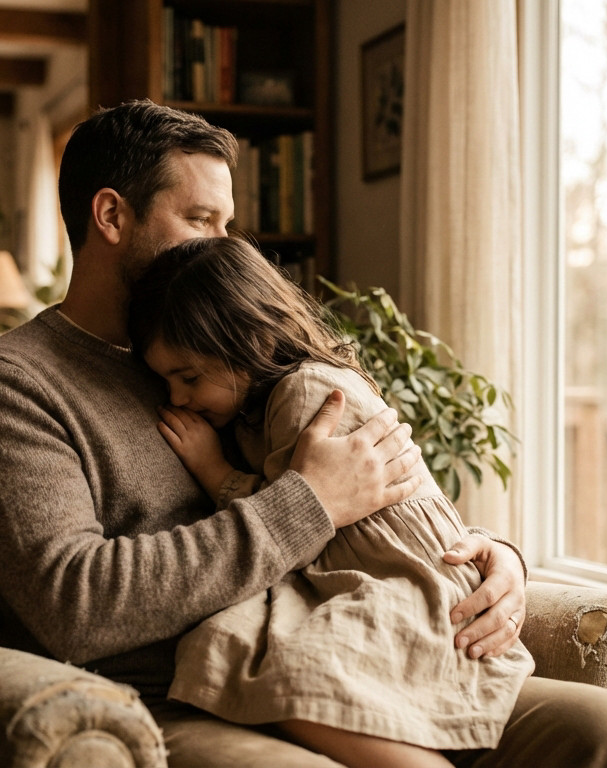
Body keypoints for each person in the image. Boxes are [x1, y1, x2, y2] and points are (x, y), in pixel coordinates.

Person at [0, 99, 607, 766]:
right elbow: (77, 605)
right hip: (178, 692)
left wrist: (496, 558)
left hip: (354, 642)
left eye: (227, 226)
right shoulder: (13, 385)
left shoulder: (235, 353)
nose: (227, 247)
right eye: (201, 221)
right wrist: (308, 502)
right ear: (111, 217)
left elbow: (379, 495)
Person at [126, 236, 535, 768]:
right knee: (227, 639)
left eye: (189, 377)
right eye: (167, 381)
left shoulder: (307, 395)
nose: (177, 398)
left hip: (403, 581)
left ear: (246, 339)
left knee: (245, 654)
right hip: (373, 571)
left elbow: (300, 520)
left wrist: (216, 473)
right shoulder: (255, 405)